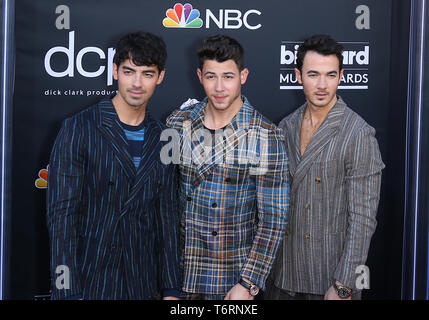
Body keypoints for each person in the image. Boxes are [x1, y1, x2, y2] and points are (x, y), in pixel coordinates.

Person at [47, 31, 181, 300]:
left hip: (141, 282)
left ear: (161, 76)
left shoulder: (167, 138)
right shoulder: (79, 128)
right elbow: (62, 219)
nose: (137, 83)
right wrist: (66, 291)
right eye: (129, 71)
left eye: (147, 73)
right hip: (88, 280)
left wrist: (171, 289)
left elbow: (167, 220)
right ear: (114, 71)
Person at [166, 34, 289, 300]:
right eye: (211, 76)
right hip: (179, 275)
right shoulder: (177, 123)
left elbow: (274, 219)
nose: (219, 87)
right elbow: (164, 202)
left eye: (228, 77)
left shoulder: (266, 134)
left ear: (243, 76)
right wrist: (166, 279)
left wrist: (249, 283)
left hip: (231, 281)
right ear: (200, 76)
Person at [265, 34, 385, 300]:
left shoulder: (358, 133)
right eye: (313, 74)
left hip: (328, 281)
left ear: (340, 76)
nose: (322, 85)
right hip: (281, 276)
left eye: (330, 75)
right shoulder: (286, 126)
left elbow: (363, 219)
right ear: (298, 76)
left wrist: (344, 284)